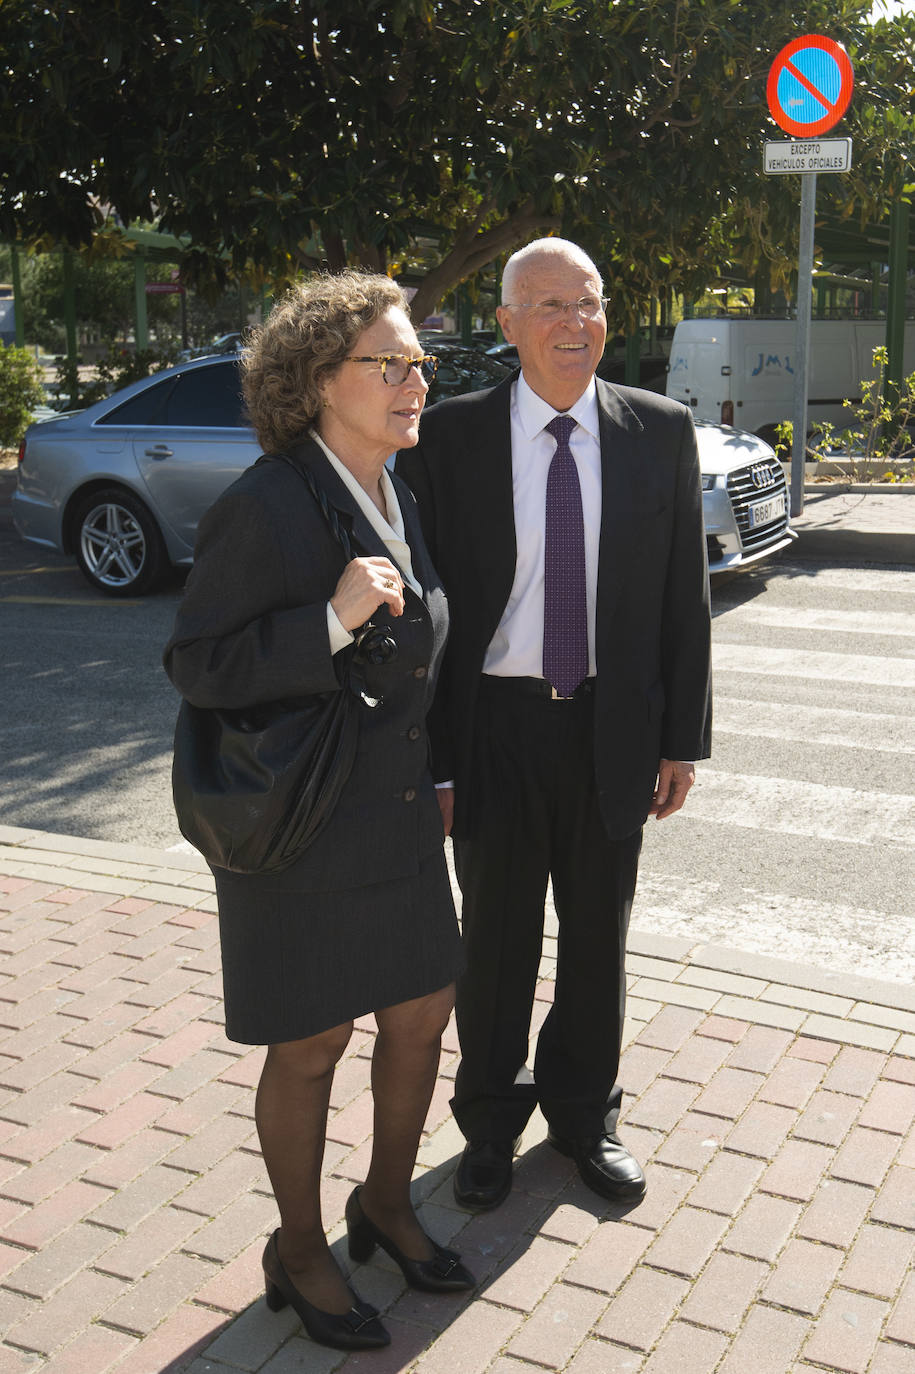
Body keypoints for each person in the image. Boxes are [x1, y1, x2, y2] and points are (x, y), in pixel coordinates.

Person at [163, 272, 473, 1353]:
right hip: (295, 823)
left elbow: (422, 653)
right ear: (313, 383)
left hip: (390, 815)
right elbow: (199, 663)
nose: (413, 380)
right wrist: (329, 623)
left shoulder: (398, 489)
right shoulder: (269, 501)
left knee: (424, 1010)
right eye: (388, 364)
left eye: (418, 362)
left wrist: (437, 777)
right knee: (311, 1045)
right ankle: (299, 1250)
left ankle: (384, 1203)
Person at [396, 238, 712, 1212]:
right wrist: (434, 762)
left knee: (598, 940)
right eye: (549, 307)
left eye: (590, 302)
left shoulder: (659, 430)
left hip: (612, 726)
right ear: (506, 326)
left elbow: (681, 600)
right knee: (493, 939)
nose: (575, 324)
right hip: (495, 728)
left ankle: (585, 1114)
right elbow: (427, 613)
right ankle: (490, 1119)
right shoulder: (450, 439)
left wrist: (682, 739)